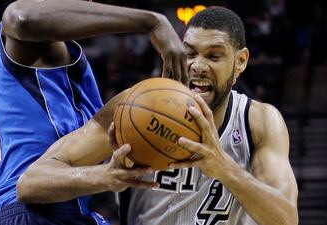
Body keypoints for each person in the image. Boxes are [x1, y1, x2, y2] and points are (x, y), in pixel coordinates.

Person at [18, 6, 299, 225]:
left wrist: (223, 167)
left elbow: (286, 218)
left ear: (240, 62)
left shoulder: (258, 120)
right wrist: (103, 176)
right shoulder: (135, 108)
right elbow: (31, 183)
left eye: (214, 56)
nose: (197, 66)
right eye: (189, 53)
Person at [0, 0, 188, 224]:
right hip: (35, 208)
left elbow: (104, 124)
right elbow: (20, 16)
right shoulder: (31, 44)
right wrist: (152, 22)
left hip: (28, 209)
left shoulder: (22, 59)